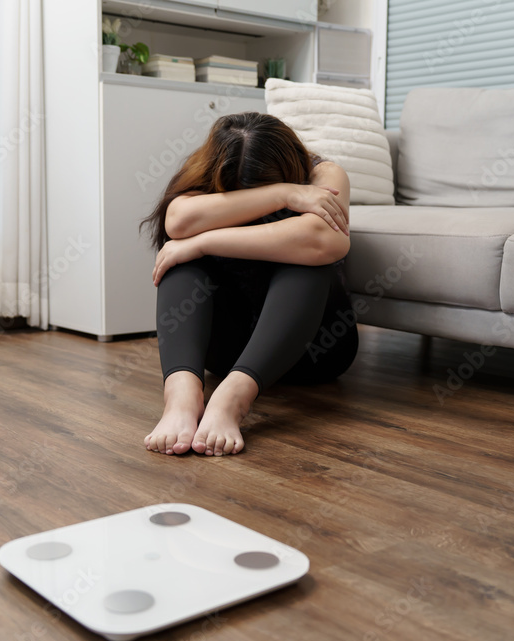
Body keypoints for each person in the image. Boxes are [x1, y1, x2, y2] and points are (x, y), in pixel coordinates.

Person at [141, 112, 359, 457]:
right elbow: (178, 221)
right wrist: (284, 194)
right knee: (180, 260)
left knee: (308, 260)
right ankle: (181, 398)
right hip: (226, 351)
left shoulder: (324, 174)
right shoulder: (204, 174)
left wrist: (202, 242)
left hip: (315, 349)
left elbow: (324, 240)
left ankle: (232, 399)